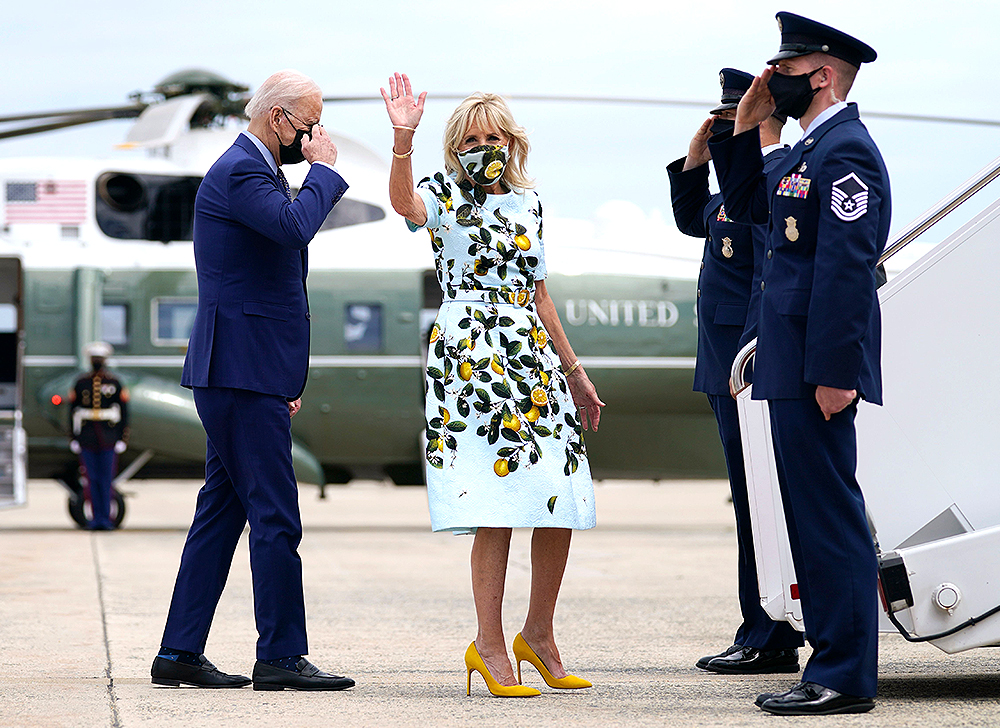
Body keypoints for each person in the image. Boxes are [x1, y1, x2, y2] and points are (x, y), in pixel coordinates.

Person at [382, 73, 604, 697]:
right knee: (495, 506)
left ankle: (538, 633)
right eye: (472, 139)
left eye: (494, 136)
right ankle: (487, 643)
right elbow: (407, 207)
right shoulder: (443, 192)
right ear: (457, 147)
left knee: (559, 495)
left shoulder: (529, 203)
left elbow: (536, 290)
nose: (485, 147)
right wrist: (403, 140)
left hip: (532, 358)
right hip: (471, 358)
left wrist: (576, 370)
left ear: (512, 142)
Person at [708, 12, 889, 716]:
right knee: (807, 522)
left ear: (819, 74)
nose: (768, 79)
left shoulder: (847, 152)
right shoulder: (810, 149)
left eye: (780, 71)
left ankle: (844, 674)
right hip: (789, 362)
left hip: (818, 371)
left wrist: (837, 374)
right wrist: (744, 126)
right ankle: (829, 665)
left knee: (830, 520)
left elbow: (846, 271)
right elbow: (749, 204)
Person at [151, 70, 355, 692]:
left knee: (223, 511)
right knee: (275, 512)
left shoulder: (256, 173)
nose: (317, 135)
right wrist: (322, 170)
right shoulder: (241, 170)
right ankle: (281, 656)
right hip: (239, 370)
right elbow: (296, 230)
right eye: (310, 124)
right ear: (278, 119)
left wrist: (281, 374)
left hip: (245, 369)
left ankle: (180, 652)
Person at [666, 69, 803, 675]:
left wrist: (749, 355)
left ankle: (768, 632)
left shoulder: (774, 181)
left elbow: (764, 280)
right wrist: (693, 161)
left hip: (745, 368)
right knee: (750, 501)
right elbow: (695, 221)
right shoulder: (736, 190)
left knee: (760, 503)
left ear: (757, 123)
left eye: (728, 125)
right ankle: (762, 626)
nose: (721, 136)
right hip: (725, 365)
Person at [68, 341, 129, 530]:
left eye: (99, 359)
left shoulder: (114, 383)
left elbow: (124, 412)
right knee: (91, 481)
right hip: (87, 438)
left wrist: (122, 437)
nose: (97, 362)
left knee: (106, 480)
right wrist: (74, 437)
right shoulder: (81, 383)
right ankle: (95, 519)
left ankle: (106, 519)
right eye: (94, 359)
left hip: (108, 437)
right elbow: (72, 410)